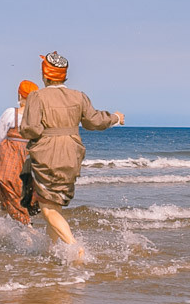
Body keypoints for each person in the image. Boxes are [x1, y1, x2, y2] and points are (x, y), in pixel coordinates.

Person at [16, 51, 124, 252]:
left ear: (45, 75)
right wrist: (115, 118)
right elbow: (94, 122)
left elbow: (30, 129)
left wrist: (36, 131)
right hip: (72, 153)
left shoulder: (37, 97)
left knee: (47, 208)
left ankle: (74, 247)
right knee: (54, 204)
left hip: (47, 152)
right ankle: (50, 251)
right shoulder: (79, 96)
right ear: (64, 75)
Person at [0, 80, 40, 225]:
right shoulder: (39, 117)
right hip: (29, 156)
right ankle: (16, 223)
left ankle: (21, 224)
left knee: (6, 188)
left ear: (19, 95)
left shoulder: (11, 113)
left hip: (11, 156)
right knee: (22, 189)